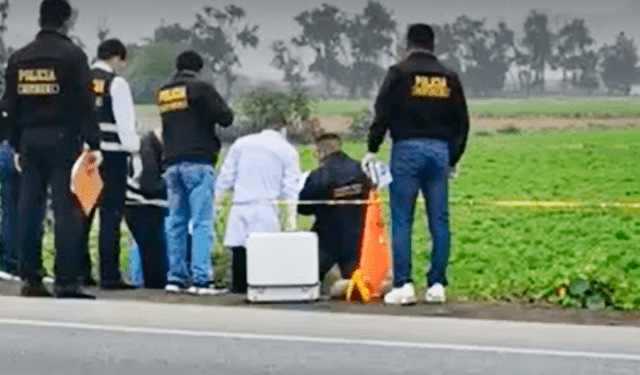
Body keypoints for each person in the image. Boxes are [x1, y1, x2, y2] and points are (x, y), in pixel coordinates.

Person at [364, 24, 469, 305]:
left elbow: (382, 111)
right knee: (439, 220)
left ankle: (403, 284)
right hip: (439, 152)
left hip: (406, 150)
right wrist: (453, 157)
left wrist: (373, 147)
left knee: (402, 219)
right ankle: (437, 284)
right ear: (433, 45)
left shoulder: (398, 73)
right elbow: (462, 122)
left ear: (408, 44)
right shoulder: (449, 77)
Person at [3, 0, 101, 298]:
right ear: (66, 21)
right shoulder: (73, 56)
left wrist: (16, 143)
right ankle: (66, 282)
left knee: (28, 210)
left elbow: (8, 106)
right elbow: (87, 103)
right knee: (66, 210)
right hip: (63, 140)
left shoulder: (19, 59)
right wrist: (94, 144)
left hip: (29, 142)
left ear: (40, 19)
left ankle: (30, 279)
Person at [158, 51, 233, 295]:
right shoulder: (201, 88)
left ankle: (175, 277)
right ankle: (202, 279)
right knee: (201, 222)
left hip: (171, 163)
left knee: (175, 223)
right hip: (198, 161)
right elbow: (226, 117)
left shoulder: (165, 92)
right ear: (199, 68)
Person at [215, 115, 301, 294]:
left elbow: (226, 176)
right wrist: (291, 219)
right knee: (264, 253)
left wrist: (216, 202)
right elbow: (291, 187)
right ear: (283, 130)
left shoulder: (241, 143)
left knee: (239, 251)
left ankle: (238, 288)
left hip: (240, 204)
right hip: (266, 207)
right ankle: (262, 288)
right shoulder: (287, 149)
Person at [84, 38, 140, 290]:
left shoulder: (81, 80)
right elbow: (126, 125)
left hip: (86, 156)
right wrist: (135, 153)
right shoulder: (116, 83)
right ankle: (109, 274)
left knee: (82, 215)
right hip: (114, 156)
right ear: (116, 57)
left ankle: (78, 271)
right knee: (111, 215)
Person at [297, 134, 370, 296]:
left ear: (321, 152)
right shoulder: (362, 171)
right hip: (358, 238)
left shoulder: (318, 175)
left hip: (326, 239)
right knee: (359, 287)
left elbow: (303, 208)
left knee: (307, 281)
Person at [124, 130, 168, 289]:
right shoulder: (147, 145)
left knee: (146, 250)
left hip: (131, 203)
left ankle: (150, 284)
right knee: (154, 251)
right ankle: (156, 286)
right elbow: (149, 183)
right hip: (147, 204)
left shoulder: (134, 145)